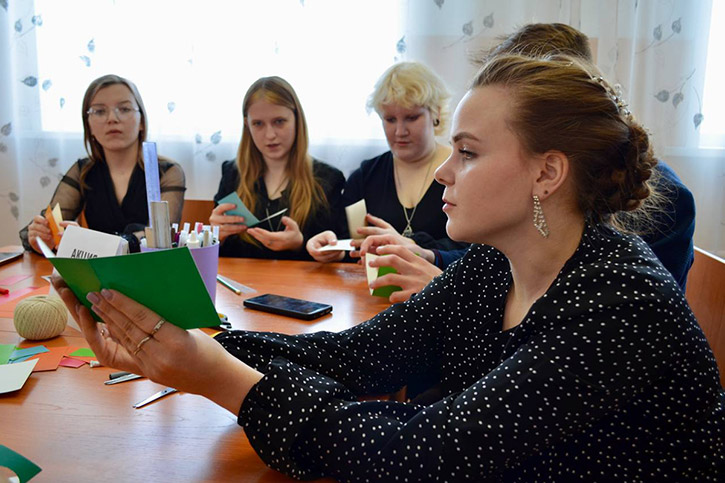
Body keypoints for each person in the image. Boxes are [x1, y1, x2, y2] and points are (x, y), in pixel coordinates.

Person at [54, 54, 724, 481]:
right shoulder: (496, 265)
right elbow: (355, 356)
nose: (444, 170)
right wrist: (191, 342)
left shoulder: (617, 303)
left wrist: (218, 377)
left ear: (547, 173)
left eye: (466, 152)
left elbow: (420, 455)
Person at [362, 22, 696, 302]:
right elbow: (496, 265)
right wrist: (434, 260)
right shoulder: (516, 217)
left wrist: (453, 297)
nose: (443, 172)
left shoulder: (657, 208)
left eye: (468, 153)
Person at [306, 61, 468, 264]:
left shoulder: (463, 171)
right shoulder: (364, 177)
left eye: (411, 118)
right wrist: (335, 250)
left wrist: (414, 246)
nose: (400, 131)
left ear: (435, 113)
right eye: (390, 119)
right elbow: (349, 244)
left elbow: (477, 251)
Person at [19, 74, 186, 253]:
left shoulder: (167, 171)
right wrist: (41, 237)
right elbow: (51, 224)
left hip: (147, 267)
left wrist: (92, 241)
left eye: (124, 109)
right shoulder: (83, 170)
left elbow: (161, 235)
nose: (112, 118)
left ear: (142, 122)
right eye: (99, 111)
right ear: (88, 125)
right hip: (96, 269)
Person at [210, 76, 345, 260]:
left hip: (300, 278)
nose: (270, 135)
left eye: (279, 121)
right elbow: (222, 255)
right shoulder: (232, 173)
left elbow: (337, 256)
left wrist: (300, 244)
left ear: (297, 119)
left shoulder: (328, 179)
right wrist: (215, 238)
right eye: (258, 124)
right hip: (242, 278)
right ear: (247, 125)